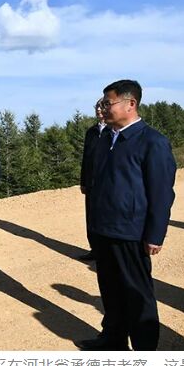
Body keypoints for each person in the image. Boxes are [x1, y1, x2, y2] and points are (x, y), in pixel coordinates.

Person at [74, 80, 176, 351]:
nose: (103, 108)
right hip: (103, 229)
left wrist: (155, 234)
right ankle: (113, 340)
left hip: (131, 233)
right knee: (110, 289)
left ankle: (144, 351)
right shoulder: (105, 139)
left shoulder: (152, 142)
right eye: (103, 103)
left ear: (131, 104)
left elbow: (162, 193)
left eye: (108, 103)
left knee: (137, 295)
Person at [78, 98, 107, 262]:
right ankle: (94, 249)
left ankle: (106, 251)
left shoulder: (114, 131)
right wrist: (83, 181)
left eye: (102, 106)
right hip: (91, 183)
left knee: (105, 217)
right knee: (91, 217)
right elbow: (86, 158)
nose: (98, 109)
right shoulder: (91, 132)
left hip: (107, 184)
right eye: (96, 106)